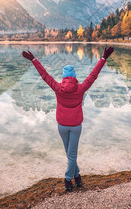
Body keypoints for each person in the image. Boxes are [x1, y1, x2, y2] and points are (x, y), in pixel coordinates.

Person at [22, 46, 114, 191]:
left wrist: (34, 60)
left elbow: (44, 75)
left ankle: (74, 177)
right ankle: (70, 178)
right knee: (71, 154)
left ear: (64, 77)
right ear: (74, 76)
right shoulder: (81, 88)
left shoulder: (58, 87)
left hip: (62, 125)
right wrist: (103, 58)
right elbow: (93, 75)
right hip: (76, 125)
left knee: (70, 154)